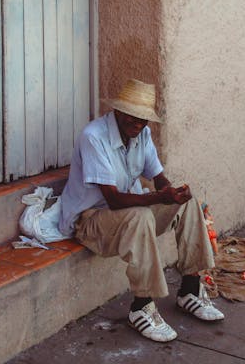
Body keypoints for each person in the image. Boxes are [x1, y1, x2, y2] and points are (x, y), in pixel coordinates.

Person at [59, 79, 224, 342]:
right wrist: (159, 197)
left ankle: (191, 289)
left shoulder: (141, 135)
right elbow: (112, 200)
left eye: (143, 120)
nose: (138, 124)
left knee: (188, 203)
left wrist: (173, 193)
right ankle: (141, 306)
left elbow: (158, 178)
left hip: (126, 214)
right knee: (141, 214)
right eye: (133, 118)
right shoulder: (94, 136)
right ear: (118, 112)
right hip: (90, 221)